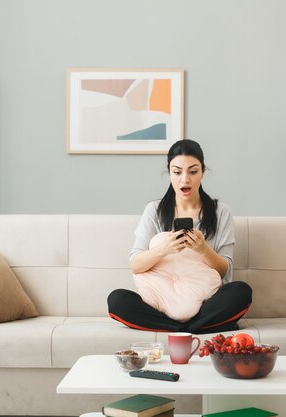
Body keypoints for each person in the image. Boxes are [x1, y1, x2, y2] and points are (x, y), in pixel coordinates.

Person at [107, 139, 252, 334]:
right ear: (169, 172)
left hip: (206, 303)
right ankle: (192, 328)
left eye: (193, 171)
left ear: (203, 171)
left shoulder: (221, 212)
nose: (185, 180)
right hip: (159, 304)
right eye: (177, 172)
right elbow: (136, 264)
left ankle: (179, 329)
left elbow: (224, 271)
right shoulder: (154, 211)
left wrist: (203, 249)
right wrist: (164, 249)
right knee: (117, 300)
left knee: (240, 292)